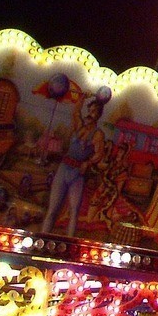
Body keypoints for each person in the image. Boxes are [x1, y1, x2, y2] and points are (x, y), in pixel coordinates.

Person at [41, 87, 109, 236]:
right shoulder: (79, 126)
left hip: (77, 174)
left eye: (94, 112)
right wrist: (83, 98)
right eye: (89, 110)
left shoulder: (97, 134)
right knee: (53, 208)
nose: (90, 114)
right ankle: (43, 237)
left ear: (98, 115)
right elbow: (75, 112)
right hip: (64, 168)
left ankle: (69, 243)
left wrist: (88, 162)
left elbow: (99, 154)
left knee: (74, 211)